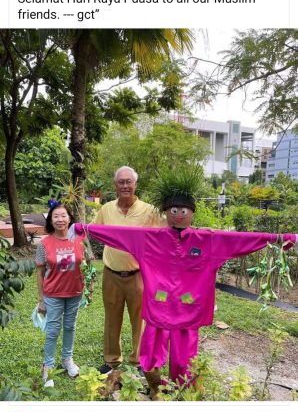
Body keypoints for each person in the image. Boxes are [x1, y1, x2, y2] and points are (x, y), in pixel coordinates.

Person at [74, 166, 298, 398]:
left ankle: (184, 391)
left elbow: (238, 240)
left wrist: (281, 239)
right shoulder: (144, 236)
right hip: (157, 304)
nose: (178, 214)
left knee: (183, 357)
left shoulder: (204, 239)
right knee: (149, 353)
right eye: (174, 210)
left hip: (186, 309)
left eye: (184, 210)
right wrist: (83, 228)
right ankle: (152, 387)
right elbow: (115, 234)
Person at [94, 166, 165, 375]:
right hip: (111, 274)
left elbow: (164, 235)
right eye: (121, 182)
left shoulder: (149, 210)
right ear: (115, 185)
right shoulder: (106, 209)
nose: (125, 185)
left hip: (138, 276)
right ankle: (111, 361)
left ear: (135, 184)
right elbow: (95, 231)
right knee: (111, 318)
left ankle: (138, 361)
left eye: (128, 182)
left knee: (140, 320)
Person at [36, 204, 86, 387]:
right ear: (50, 220)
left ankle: (67, 359)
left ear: (70, 218)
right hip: (53, 294)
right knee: (52, 331)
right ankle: (47, 366)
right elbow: (40, 273)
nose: (60, 219)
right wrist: (41, 299)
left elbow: (87, 264)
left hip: (75, 292)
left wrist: (89, 288)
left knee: (70, 327)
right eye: (55, 216)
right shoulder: (44, 243)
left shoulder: (80, 239)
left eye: (63, 216)